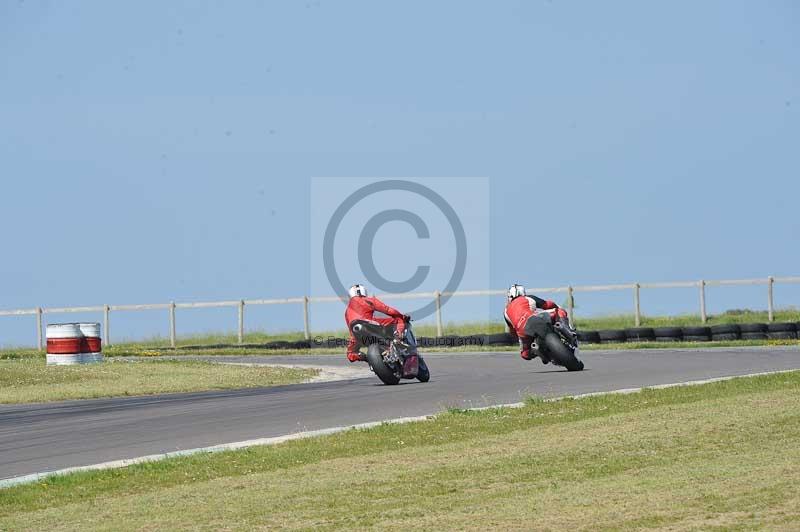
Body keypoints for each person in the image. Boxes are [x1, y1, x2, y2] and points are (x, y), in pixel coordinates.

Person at [503, 284, 569, 362]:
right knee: (560, 311)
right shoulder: (528, 298)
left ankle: (538, 351)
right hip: (534, 318)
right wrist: (557, 307)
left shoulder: (505, 312)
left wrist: (521, 337)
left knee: (525, 354)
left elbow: (512, 332)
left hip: (522, 331)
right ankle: (568, 331)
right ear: (523, 292)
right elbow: (548, 304)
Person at [344, 284, 409, 362]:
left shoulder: (347, 311)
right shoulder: (368, 300)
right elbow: (388, 310)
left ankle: (367, 358)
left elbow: (351, 331)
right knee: (399, 319)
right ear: (364, 292)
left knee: (350, 354)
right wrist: (402, 316)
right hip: (368, 324)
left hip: (356, 333)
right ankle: (398, 337)